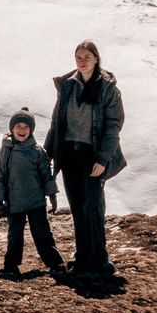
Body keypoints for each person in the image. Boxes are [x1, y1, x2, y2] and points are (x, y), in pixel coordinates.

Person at [48, 40, 126, 290]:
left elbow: (114, 125)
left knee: (93, 205)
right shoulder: (68, 85)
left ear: (95, 59)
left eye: (86, 57)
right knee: (77, 206)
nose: (82, 61)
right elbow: (57, 120)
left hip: (92, 155)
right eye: (78, 57)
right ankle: (82, 257)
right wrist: (49, 151)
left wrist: (103, 159)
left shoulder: (107, 87)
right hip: (70, 152)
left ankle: (99, 259)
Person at [0, 107, 65, 281]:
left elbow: (46, 175)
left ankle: (55, 263)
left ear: (31, 130)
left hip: (36, 201)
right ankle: (11, 265)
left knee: (43, 233)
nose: (22, 131)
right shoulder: (4, 152)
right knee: (15, 235)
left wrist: (52, 195)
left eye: (26, 127)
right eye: (18, 127)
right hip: (14, 202)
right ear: (12, 129)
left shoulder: (38, 151)